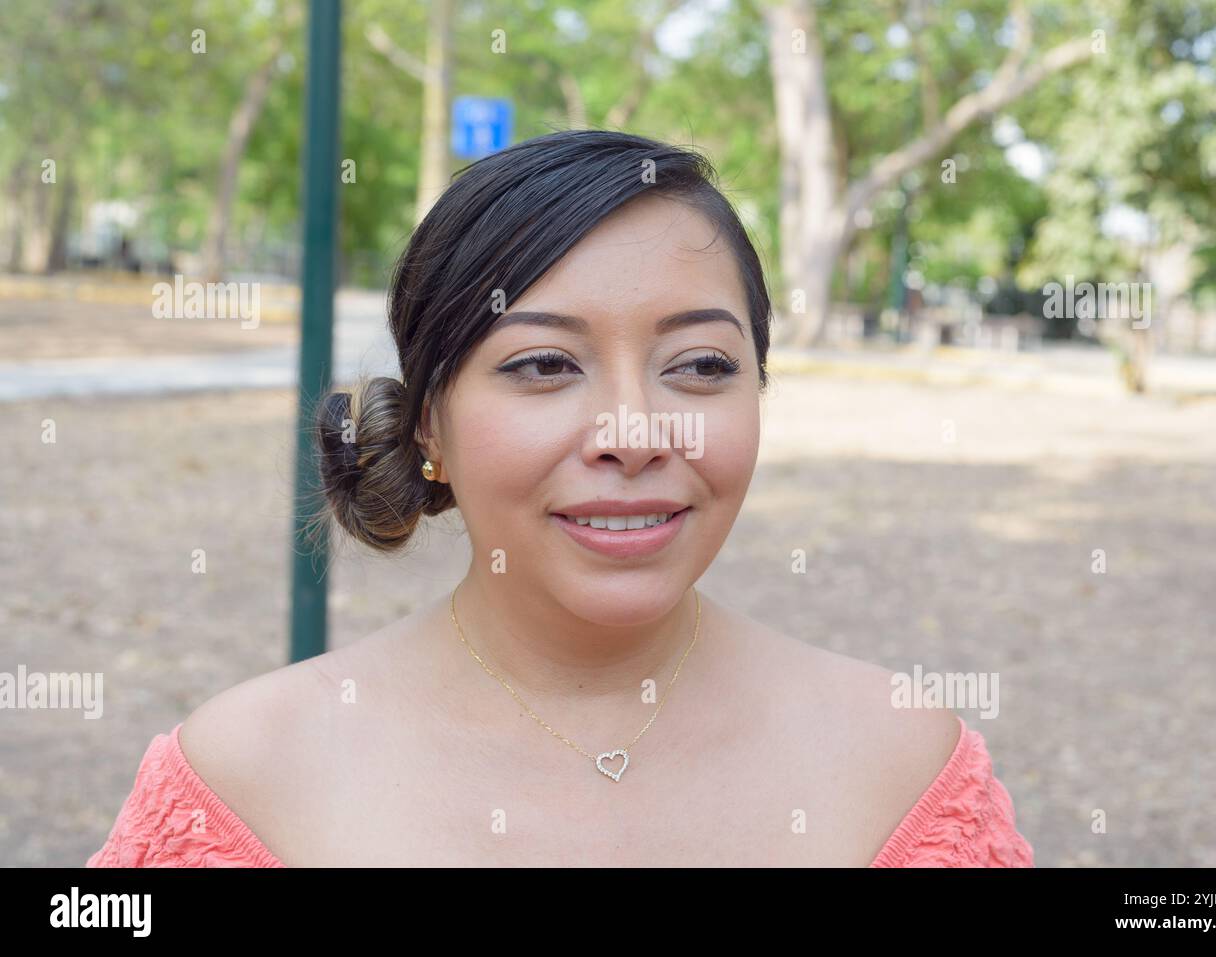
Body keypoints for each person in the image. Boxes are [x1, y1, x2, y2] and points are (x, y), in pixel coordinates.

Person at [86, 129, 1032, 867]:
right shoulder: (246, 784)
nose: (634, 433)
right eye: (544, 364)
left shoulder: (905, 771)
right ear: (429, 426)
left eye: (700, 364)